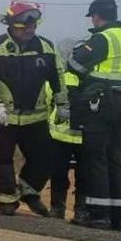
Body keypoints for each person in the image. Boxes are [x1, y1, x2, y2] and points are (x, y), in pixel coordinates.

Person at [0, 1, 67, 216]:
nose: (29, 31)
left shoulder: (46, 47)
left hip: (36, 117)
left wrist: (63, 103)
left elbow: (58, 76)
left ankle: (29, 190)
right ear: (10, 24)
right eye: (24, 27)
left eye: (33, 27)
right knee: (3, 159)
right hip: (3, 117)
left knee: (44, 157)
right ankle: (7, 198)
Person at [67, 0, 121, 229]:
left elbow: (75, 64)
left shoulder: (101, 38)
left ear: (97, 16)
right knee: (118, 159)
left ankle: (99, 214)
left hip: (102, 105)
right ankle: (119, 217)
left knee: (96, 158)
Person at [48, 61, 83, 220]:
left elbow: (47, 102)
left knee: (58, 174)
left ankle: (57, 208)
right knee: (84, 177)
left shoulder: (59, 78)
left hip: (59, 135)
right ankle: (81, 211)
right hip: (85, 137)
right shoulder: (95, 80)